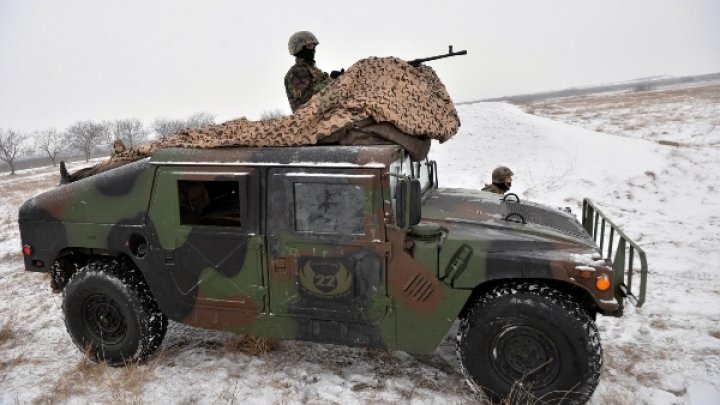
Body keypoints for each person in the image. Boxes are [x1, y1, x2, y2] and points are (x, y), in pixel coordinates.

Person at [284, 31, 343, 112]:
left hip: (326, 111)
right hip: (309, 119)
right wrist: (331, 80)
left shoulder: (314, 70)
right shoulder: (294, 73)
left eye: (314, 46)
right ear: (299, 48)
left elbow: (325, 90)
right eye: (309, 46)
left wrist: (338, 79)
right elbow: (308, 99)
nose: (313, 49)